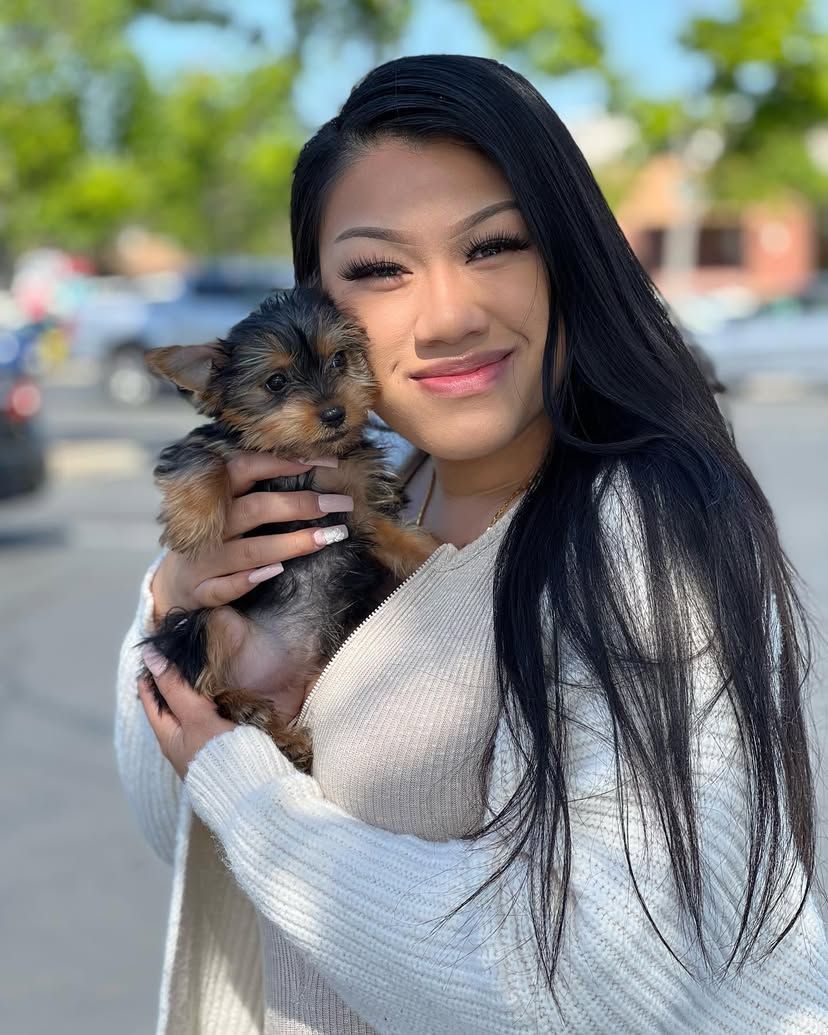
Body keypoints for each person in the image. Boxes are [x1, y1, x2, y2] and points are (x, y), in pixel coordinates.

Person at [115, 54, 828, 1034]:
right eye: (378, 269)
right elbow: (185, 843)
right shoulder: (381, 493)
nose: (449, 316)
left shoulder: (634, 533)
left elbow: (589, 985)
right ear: (317, 308)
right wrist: (174, 603)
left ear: (570, 257)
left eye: (495, 246)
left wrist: (242, 790)